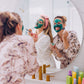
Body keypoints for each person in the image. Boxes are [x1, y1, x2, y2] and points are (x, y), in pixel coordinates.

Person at [0, 12, 39, 84]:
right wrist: (31, 44)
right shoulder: (26, 40)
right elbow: (32, 70)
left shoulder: (2, 43)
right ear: (18, 26)